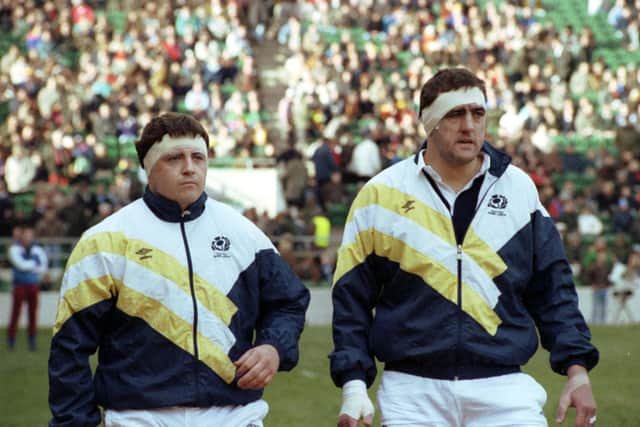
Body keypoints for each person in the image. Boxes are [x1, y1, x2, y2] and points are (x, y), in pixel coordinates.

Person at [330, 68, 599, 427]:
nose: (469, 125)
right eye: (455, 114)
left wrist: (577, 372)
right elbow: (351, 300)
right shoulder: (380, 196)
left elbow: (553, 288)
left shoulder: (519, 189)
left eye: (477, 113)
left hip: (505, 389)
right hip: (411, 393)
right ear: (430, 123)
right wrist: (353, 385)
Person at [48, 112, 310, 427]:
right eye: (174, 158)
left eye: (198, 157)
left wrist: (273, 346)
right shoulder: (104, 242)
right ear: (148, 167)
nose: (189, 167)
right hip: (140, 418)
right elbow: (70, 347)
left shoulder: (244, 233)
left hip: (236, 416)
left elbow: (289, 302)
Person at [6, 222, 49, 351]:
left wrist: (29, 266)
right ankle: (11, 339)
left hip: (33, 285)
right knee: (15, 313)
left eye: (30, 235)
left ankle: (32, 340)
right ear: (22, 235)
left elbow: (43, 268)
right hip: (19, 286)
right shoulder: (14, 249)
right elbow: (21, 265)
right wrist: (34, 265)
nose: (28, 237)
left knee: (32, 314)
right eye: (26, 235)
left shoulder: (37, 249)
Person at [608, 247, 640, 324]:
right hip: (626, 294)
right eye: (632, 257)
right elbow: (620, 277)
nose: (634, 259)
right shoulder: (622, 267)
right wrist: (631, 267)